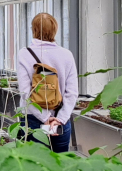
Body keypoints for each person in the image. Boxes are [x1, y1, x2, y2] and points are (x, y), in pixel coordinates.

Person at [16, 13, 78, 153]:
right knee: (59, 167)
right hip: (60, 118)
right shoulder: (66, 54)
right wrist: (59, 119)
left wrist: (45, 118)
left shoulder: (24, 53)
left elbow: (26, 93)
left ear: (34, 29)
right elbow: (72, 92)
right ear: (55, 29)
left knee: (35, 166)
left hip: (33, 118)